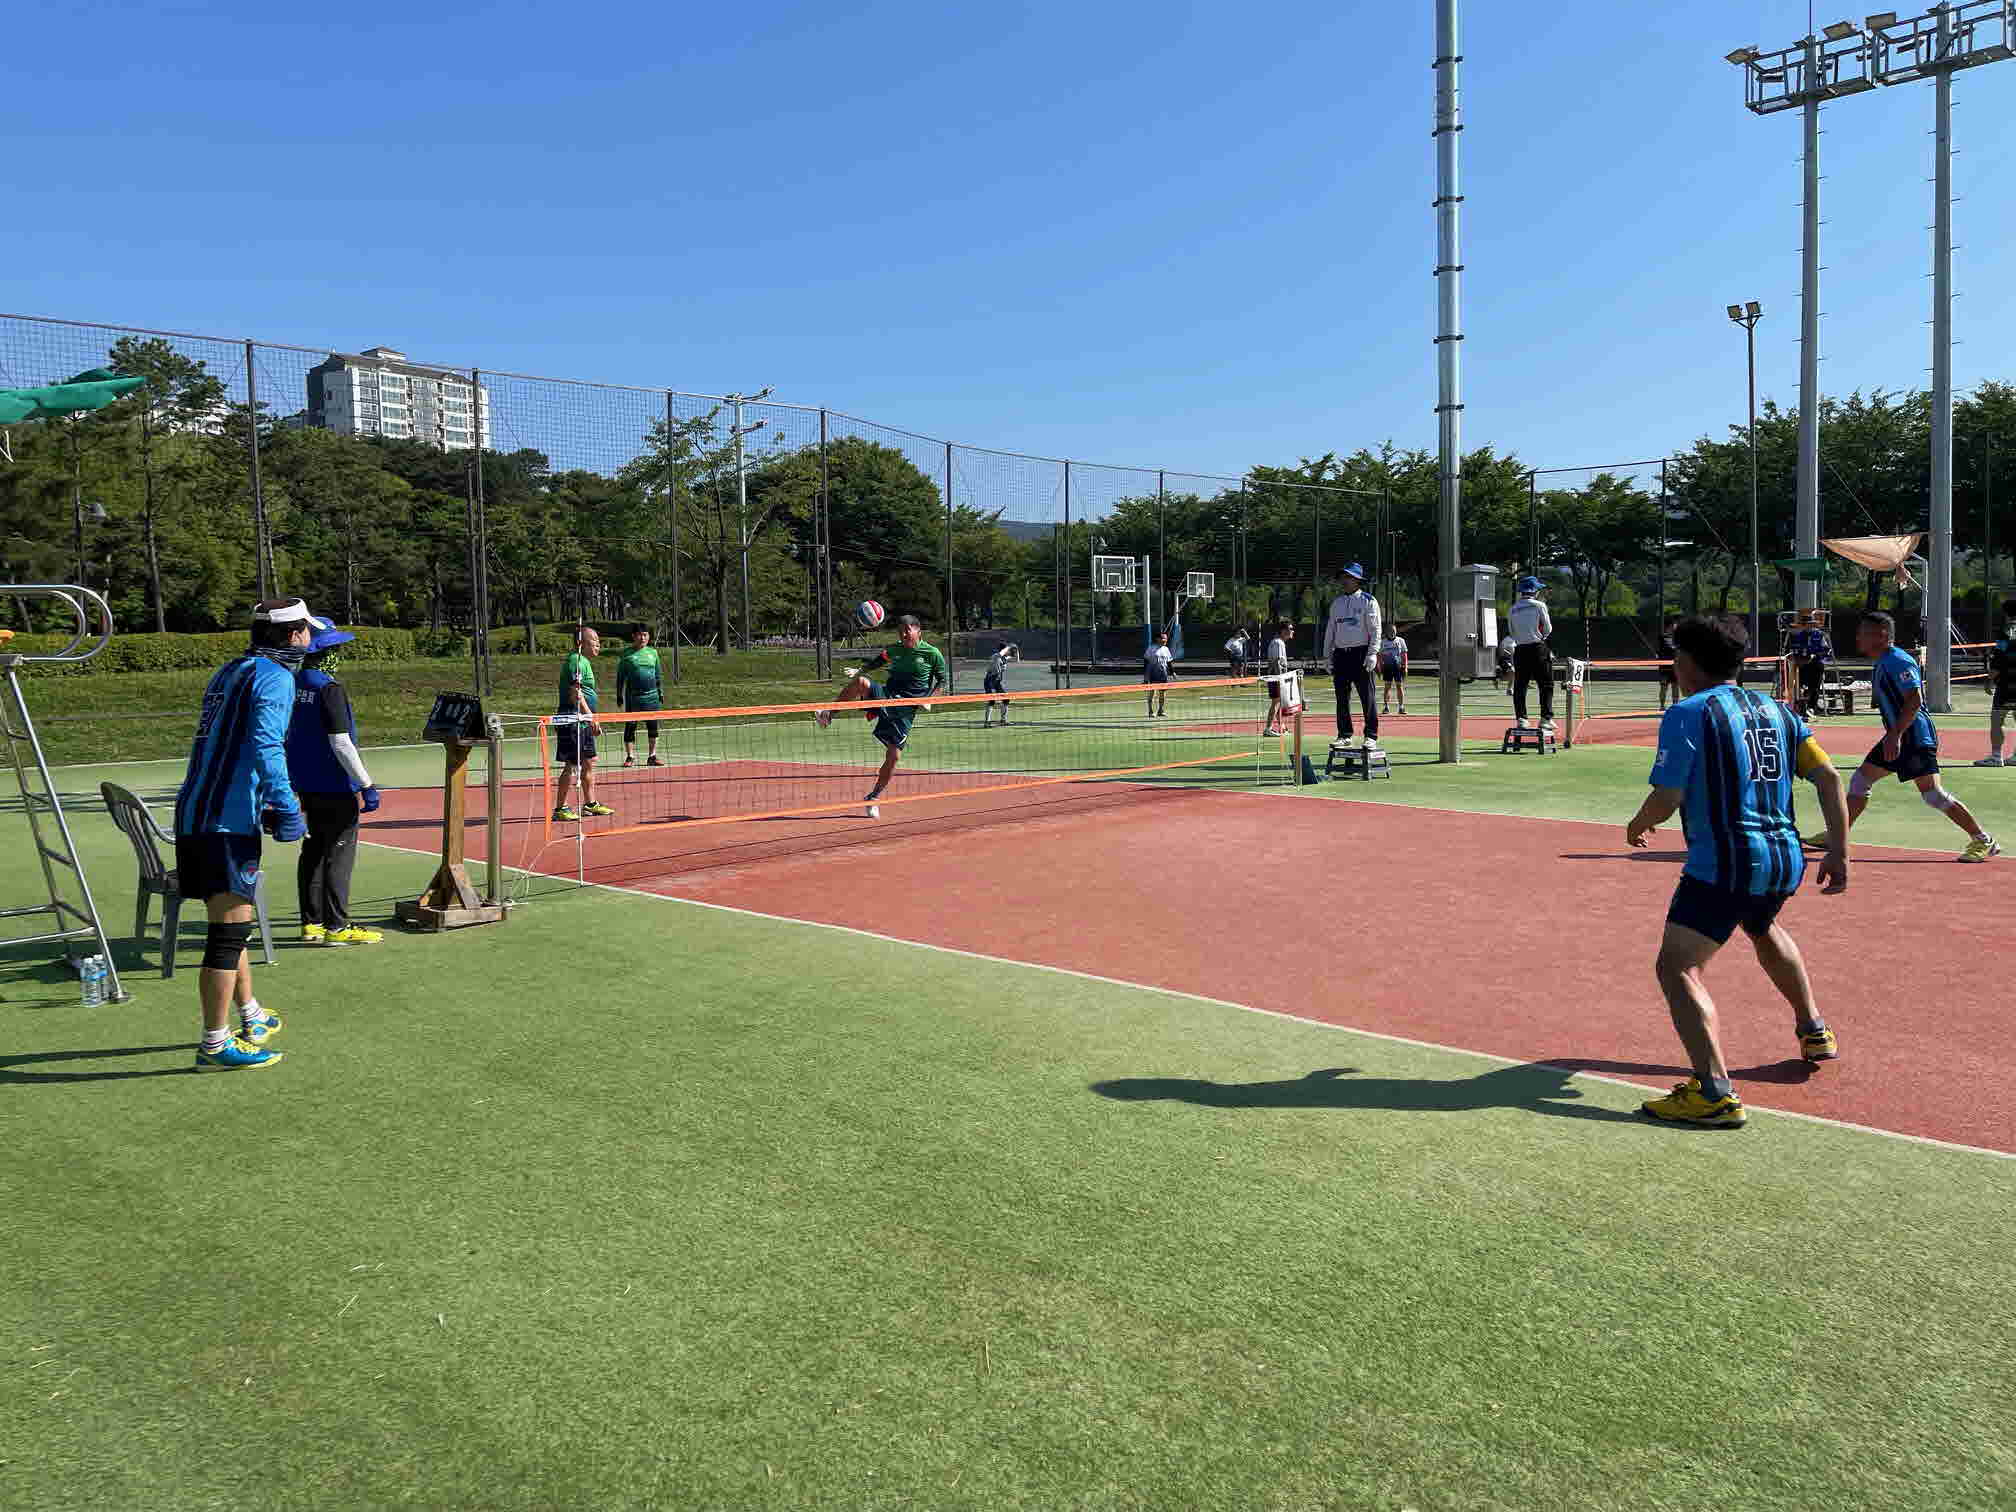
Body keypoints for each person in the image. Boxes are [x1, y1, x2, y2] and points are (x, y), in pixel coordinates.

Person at [1625, 614, 1851, 1128]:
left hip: (1725, 862)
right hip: (1784, 858)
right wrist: (1839, 851)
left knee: (1677, 967)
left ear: (1685, 662)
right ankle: (1812, 1027)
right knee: (1762, 925)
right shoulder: (1778, 709)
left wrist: (1638, 823)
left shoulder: (1687, 713)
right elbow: (1830, 777)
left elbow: (1668, 795)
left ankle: (1713, 1092)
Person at [175, 598, 316, 1071]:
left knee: (231, 923)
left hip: (197, 812)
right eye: (307, 631)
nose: (311, 639)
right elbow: (265, 744)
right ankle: (214, 1045)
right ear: (294, 635)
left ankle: (249, 1014)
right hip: (226, 821)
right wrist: (284, 801)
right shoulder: (277, 677)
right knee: (228, 934)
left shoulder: (230, 669)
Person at [1806, 611, 1998, 861]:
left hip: (1914, 737)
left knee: (1932, 794)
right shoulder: (1883, 661)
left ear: (1882, 636)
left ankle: (1983, 840)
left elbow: (1915, 699)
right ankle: (1836, 834)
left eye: (1864, 633)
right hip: (1899, 735)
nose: (1858, 637)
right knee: (1860, 781)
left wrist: (1895, 735)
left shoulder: (1899, 661)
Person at [286, 616, 383, 947]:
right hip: (335, 785)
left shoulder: (293, 684)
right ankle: (337, 927)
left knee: (312, 850)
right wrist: (366, 784)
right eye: (335, 648)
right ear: (324, 653)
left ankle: (311, 924)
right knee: (338, 854)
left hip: (305, 783)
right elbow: (341, 742)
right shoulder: (328, 689)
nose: (338, 654)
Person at [813, 612, 949, 816]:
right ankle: (828, 715)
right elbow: (879, 661)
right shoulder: (894, 649)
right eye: (900, 631)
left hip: (906, 707)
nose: (903, 634)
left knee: (894, 755)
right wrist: (860, 670)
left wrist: (930, 698)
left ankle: (874, 796)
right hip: (887, 695)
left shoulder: (932, 653)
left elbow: (942, 680)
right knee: (861, 683)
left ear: (918, 631)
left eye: (907, 630)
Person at [553, 626, 615, 824]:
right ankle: (560, 808)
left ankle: (590, 803)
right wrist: (591, 717)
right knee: (571, 765)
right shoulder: (576, 661)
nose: (598, 644)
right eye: (594, 640)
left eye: (598, 640)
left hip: (583, 719)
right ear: (580, 643)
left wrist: (590, 717)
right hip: (572, 719)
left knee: (589, 761)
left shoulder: (585, 662)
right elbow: (575, 694)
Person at [1321, 562, 1381, 751]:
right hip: (1341, 655)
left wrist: (1372, 653)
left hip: (1361, 653)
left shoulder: (1368, 600)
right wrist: (1327, 656)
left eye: (1349, 577)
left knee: (1367, 696)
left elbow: (1376, 630)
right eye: (1343, 577)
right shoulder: (1337, 603)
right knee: (1342, 698)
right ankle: (1344, 734)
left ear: (1357, 580)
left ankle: (1371, 735)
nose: (1345, 581)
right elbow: (1330, 630)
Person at [1507, 576, 1555, 734]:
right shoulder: (1539, 605)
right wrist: (1540, 638)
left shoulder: (1512, 608)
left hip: (1520, 649)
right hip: (1537, 648)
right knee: (1546, 684)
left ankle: (1522, 719)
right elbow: (1548, 628)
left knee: (1520, 685)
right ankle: (1545, 719)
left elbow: (1512, 632)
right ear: (1535, 590)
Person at [616, 624, 665, 768]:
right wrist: (619, 695)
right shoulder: (626, 654)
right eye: (639, 635)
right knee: (630, 726)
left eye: (645, 635)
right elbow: (620, 677)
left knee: (653, 726)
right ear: (633, 636)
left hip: (652, 697)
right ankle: (630, 756)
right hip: (633, 697)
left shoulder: (653, 653)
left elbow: (658, 674)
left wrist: (660, 691)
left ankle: (652, 756)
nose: (642, 638)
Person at [1974, 598, 2016, 768]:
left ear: (2006, 613)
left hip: (2007, 684)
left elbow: (1999, 659)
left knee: (1997, 719)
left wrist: (1989, 679)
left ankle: (1996, 756)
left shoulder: (2005, 632)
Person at [1786, 609, 1833, 719]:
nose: (1808, 626)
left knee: (1815, 680)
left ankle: (1812, 705)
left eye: (1810, 624)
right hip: (1801, 664)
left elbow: (1826, 651)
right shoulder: (1798, 636)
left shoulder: (1820, 635)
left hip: (1815, 663)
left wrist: (1814, 656)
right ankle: (1799, 705)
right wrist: (1797, 659)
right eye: (1805, 625)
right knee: (1798, 680)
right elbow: (1793, 650)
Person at [1261, 618, 1292, 737]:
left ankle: (1282, 727)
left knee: (1279, 702)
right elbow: (1277, 662)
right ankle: (1268, 728)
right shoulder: (1278, 642)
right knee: (1276, 702)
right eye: (1290, 629)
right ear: (1283, 631)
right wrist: (1280, 679)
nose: (1292, 631)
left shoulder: (1279, 642)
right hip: (1276, 677)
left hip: (1276, 676)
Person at [982, 641, 1019, 728]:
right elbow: (1000, 654)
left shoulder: (1004, 658)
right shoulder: (996, 656)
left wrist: (1016, 649)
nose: (1009, 651)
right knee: (991, 701)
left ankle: (1003, 720)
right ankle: (986, 722)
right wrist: (1009, 647)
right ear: (1004, 650)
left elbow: (1016, 660)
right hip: (989, 681)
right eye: (1007, 650)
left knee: (1006, 699)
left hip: (997, 682)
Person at [1376, 625, 1409, 715]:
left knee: (1399, 686)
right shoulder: (1382, 642)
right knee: (1387, 687)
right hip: (1387, 668)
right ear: (1387, 632)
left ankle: (1401, 707)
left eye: (1394, 631)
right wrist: (1379, 667)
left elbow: (1404, 655)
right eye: (1390, 631)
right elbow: (1379, 656)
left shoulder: (1400, 641)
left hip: (1398, 667)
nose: (1392, 633)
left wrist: (1405, 667)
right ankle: (1386, 707)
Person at [1143, 629, 1175, 717]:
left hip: (1163, 675)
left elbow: (1169, 662)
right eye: (1163, 638)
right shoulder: (1151, 648)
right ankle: (1150, 711)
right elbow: (1146, 661)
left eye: (1166, 639)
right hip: (1152, 674)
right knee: (1152, 692)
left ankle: (1161, 710)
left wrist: (1172, 672)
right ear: (1158, 639)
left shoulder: (1166, 649)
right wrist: (1145, 675)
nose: (1165, 640)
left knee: (1163, 693)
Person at [1656, 620, 1679, 709]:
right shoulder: (1663, 637)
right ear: (1669, 627)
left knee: (1675, 686)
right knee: (1664, 687)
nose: (1675, 629)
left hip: (1675, 667)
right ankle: (1662, 705)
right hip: (1664, 668)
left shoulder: (1678, 638)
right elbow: (1669, 648)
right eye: (1674, 627)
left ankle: (1675, 705)